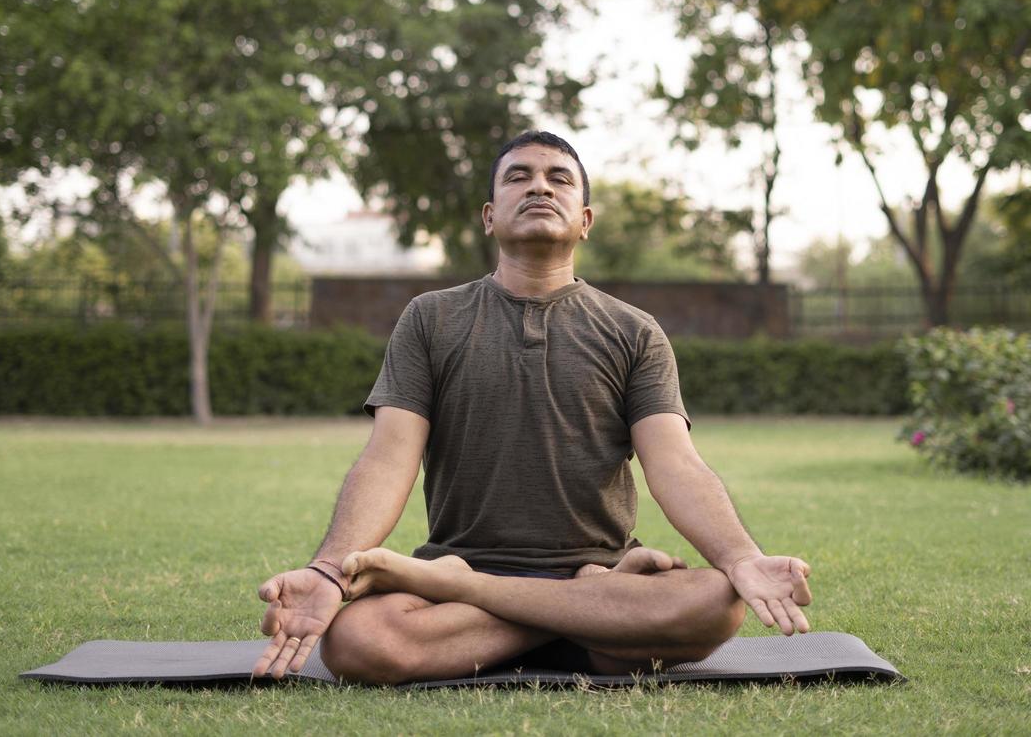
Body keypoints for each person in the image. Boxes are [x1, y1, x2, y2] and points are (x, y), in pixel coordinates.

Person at [252, 131, 813, 683]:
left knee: (718, 601)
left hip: (554, 576)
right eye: (518, 177)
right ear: (490, 216)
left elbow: (675, 464)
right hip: (517, 573)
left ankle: (474, 593)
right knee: (359, 643)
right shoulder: (431, 319)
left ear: (585, 221)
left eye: (558, 179)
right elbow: (387, 459)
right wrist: (328, 569)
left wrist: (741, 559)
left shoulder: (634, 332)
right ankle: (580, 613)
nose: (539, 187)